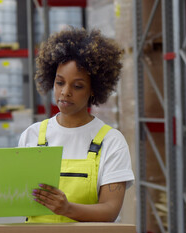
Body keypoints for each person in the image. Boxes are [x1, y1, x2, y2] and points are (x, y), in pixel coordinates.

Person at [18, 27, 134, 222]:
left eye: (78, 86)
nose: (65, 92)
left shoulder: (110, 141)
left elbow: (110, 210)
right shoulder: (33, 134)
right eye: (60, 82)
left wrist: (67, 208)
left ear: (94, 90)